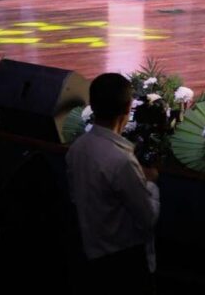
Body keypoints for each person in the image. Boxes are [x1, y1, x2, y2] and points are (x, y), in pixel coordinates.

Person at [66, 73, 159, 289]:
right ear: (128, 109)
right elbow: (147, 217)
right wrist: (150, 182)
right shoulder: (121, 161)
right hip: (122, 264)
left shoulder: (77, 148)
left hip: (88, 251)